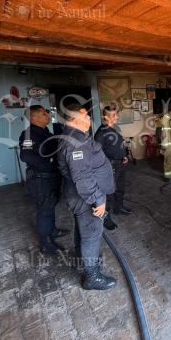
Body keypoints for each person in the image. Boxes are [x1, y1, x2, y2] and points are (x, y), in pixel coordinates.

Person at [58, 103, 117, 291]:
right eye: (85, 116)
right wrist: (98, 199)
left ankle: (81, 260)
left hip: (81, 196)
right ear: (75, 119)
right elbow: (82, 177)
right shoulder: (76, 142)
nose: (89, 118)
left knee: (83, 230)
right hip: (85, 198)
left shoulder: (74, 137)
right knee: (91, 234)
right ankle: (92, 277)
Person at [18, 105, 68, 255]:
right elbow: (26, 156)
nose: (47, 114)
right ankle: (46, 243)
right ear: (34, 118)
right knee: (44, 209)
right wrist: (50, 163)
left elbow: (56, 144)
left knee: (50, 205)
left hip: (51, 177)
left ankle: (51, 230)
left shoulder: (45, 132)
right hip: (41, 179)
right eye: (43, 113)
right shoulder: (28, 134)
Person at [94, 104, 133, 227]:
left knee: (120, 188)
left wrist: (124, 155)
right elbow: (97, 153)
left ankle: (118, 208)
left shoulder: (114, 128)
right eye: (114, 115)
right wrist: (106, 166)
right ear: (106, 117)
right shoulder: (101, 132)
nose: (117, 117)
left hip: (120, 163)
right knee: (109, 193)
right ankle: (105, 217)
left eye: (116, 114)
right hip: (110, 166)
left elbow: (116, 145)